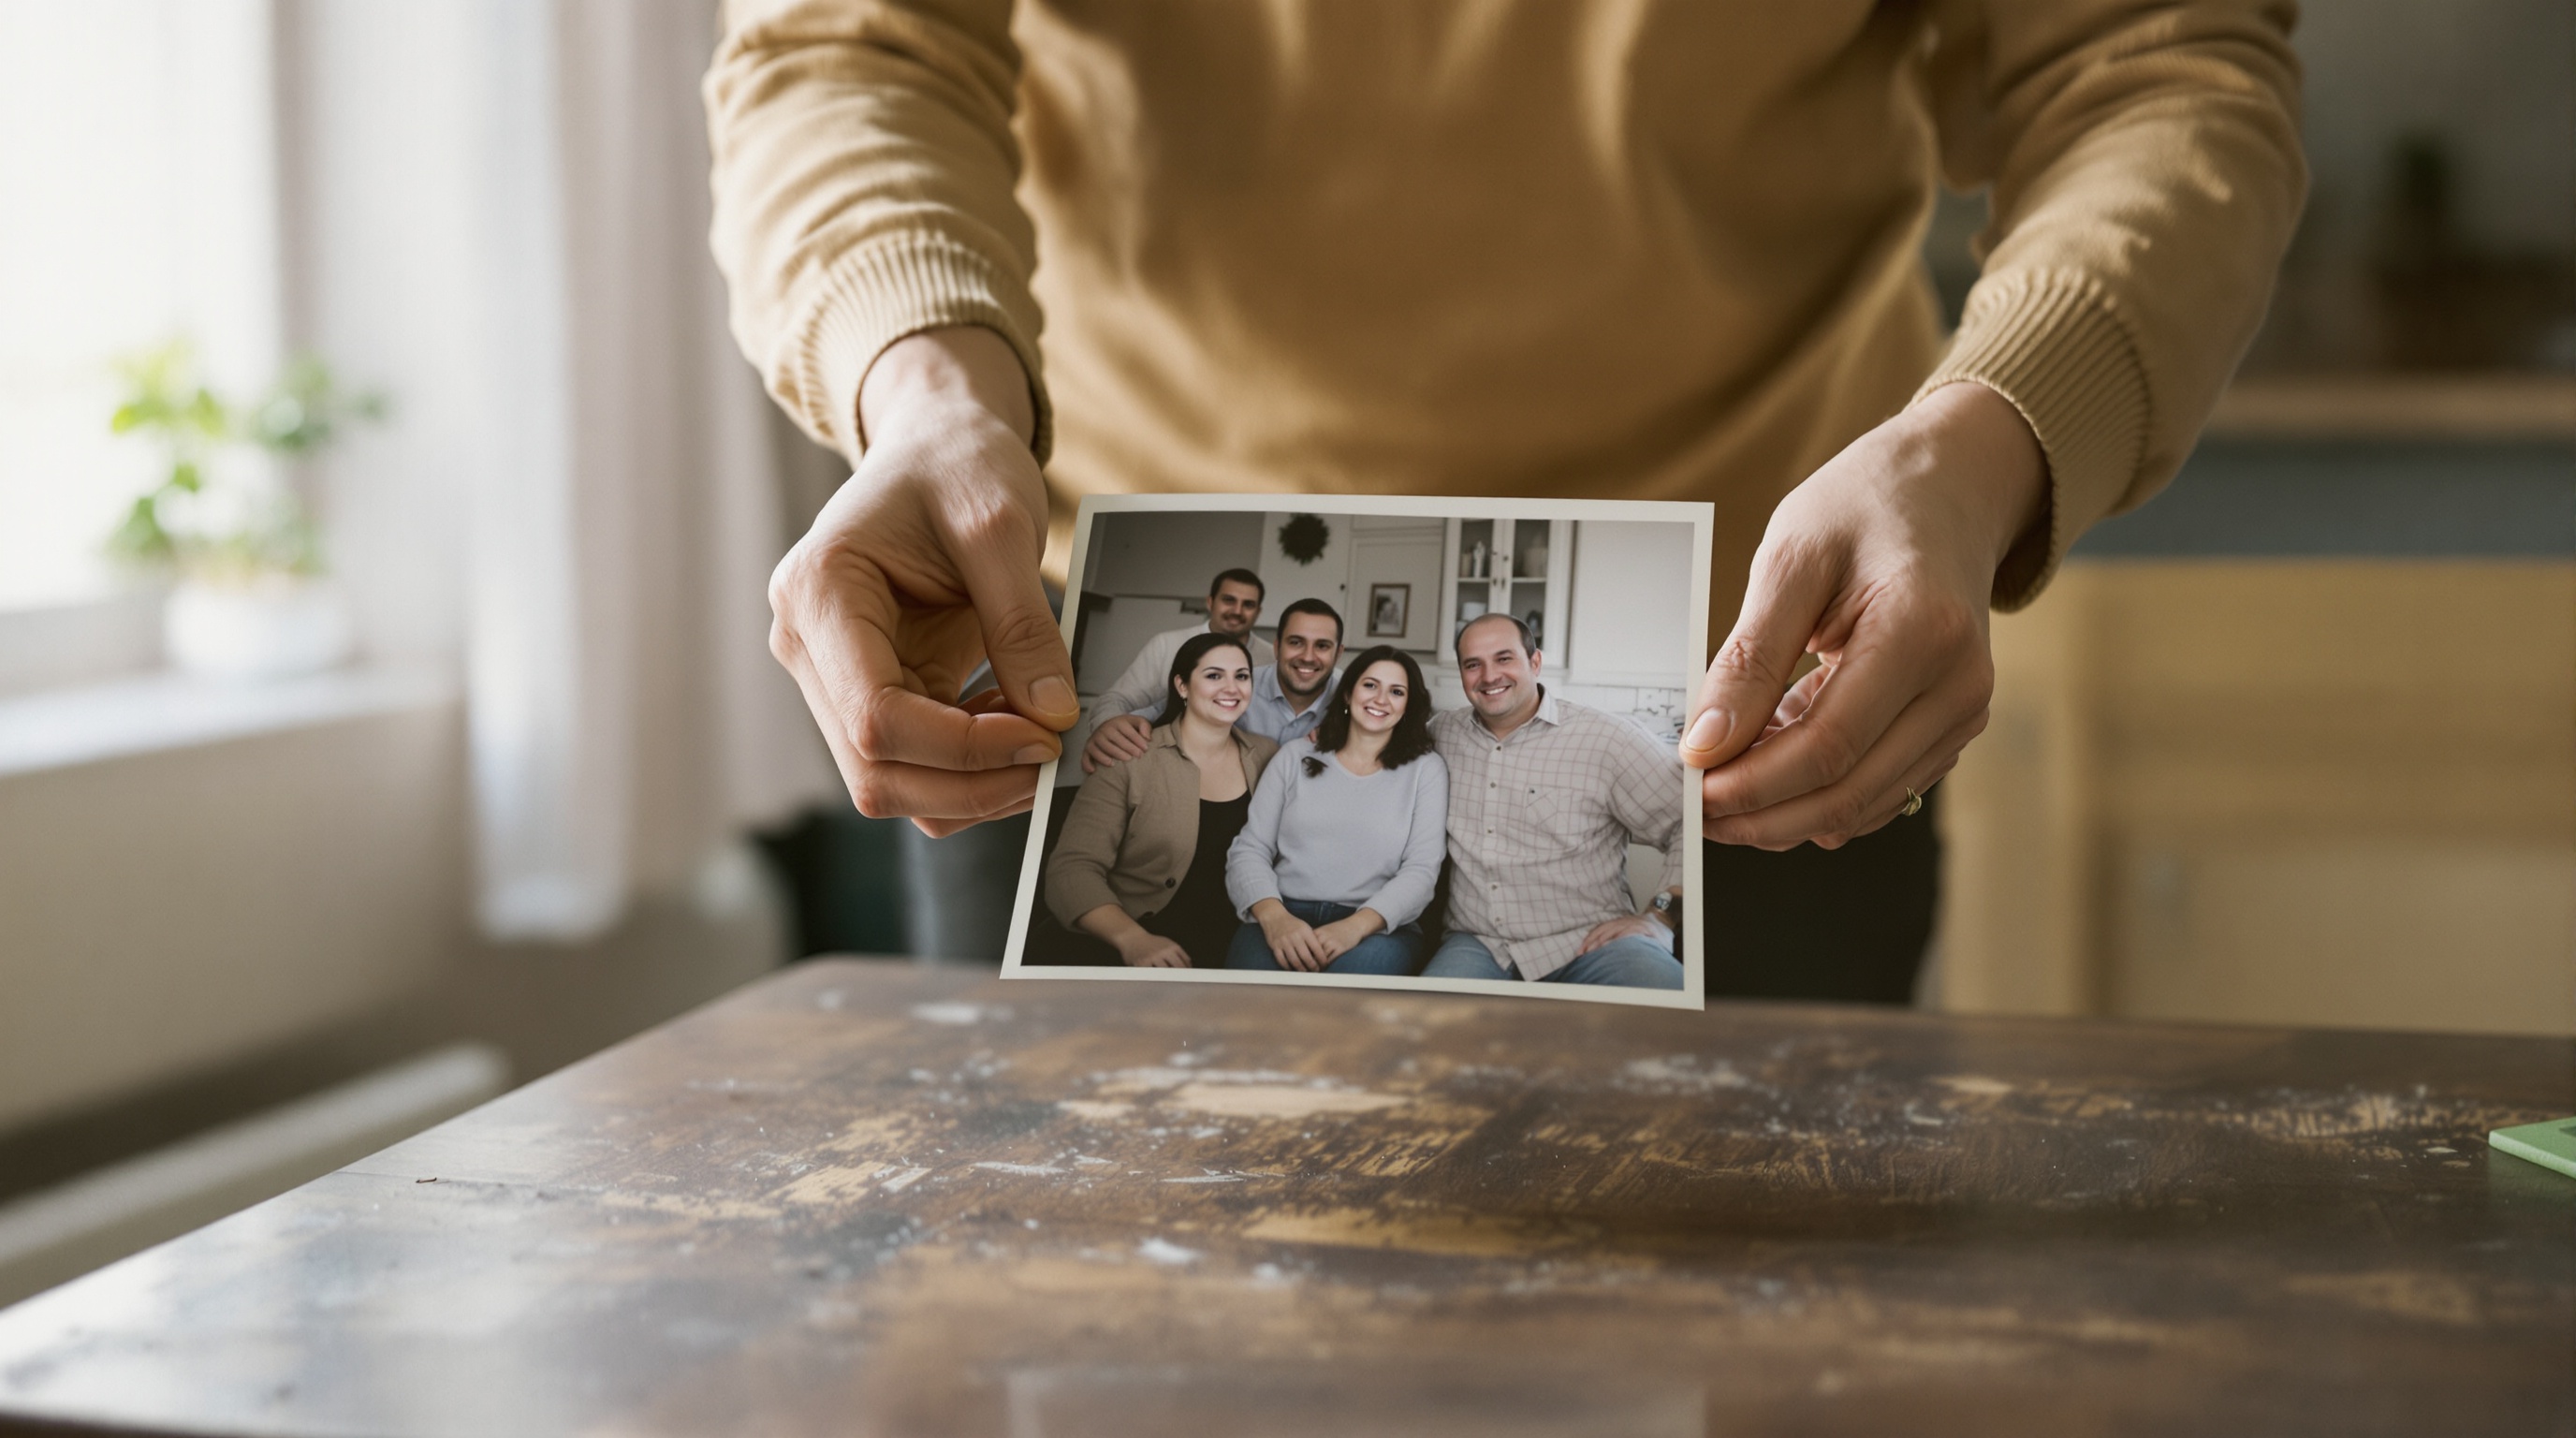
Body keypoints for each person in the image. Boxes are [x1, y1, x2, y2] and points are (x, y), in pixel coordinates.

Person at [710, 2, 2304, 998]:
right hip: (1054, 679)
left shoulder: (1559, 764)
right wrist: (918, 384)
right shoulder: (1209, 756)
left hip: (1776, 692)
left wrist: (1985, 443)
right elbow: (848, 41)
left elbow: (2148, 58)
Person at [1423, 614, 1685, 990]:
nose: (1489, 676)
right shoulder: (1442, 734)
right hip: (1477, 945)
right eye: (1472, 664)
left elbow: (1692, 819)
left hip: (1593, 942)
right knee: (1422, 1028)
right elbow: (1376, 747)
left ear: (1535, 663)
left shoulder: (1606, 738)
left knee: (1674, 1012)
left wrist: (1661, 915)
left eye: (1504, 658)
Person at [1044, 634, 1279, 967]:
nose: (1232, 688)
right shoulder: (1129, 754)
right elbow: (1071, 870)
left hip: (1230, 937)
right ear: (1182, 686)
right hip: (1137, 933)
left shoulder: (1267, 754)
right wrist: (1132, 939)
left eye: (1242, 676)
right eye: (1214, 676)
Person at [1223, 646, 1446, 977]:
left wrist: (1354, 927)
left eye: (1396, 691)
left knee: (1339, 1007)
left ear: (1408, 706)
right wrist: (1274, 917)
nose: (1381, 699)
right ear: (1347, 693)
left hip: (1377, 925)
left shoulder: (1426, 770)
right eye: (1370, 685)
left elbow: (1421, 871)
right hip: (1283, 910)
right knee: (1250, 1006)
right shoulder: (1294, 756)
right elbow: (1250, 849)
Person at [1090, 597, 1341, 770]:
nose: (1308, 656)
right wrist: (1108, 726)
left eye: (1322, 646)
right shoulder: (1238, 685)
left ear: (1338, 654)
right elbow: (1159, 713)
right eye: (1296, 642)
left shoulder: (1356, 697)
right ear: (1276, 647)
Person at [1068, 568, 1271, 774]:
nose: (1237, 611)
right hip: (1164, 766)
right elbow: (1117, 698)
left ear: (1258, 612)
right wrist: (1107, 725)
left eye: (1248, 605)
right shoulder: (1166, 644)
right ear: (1210, 602)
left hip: (1239, 770)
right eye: (1228, 600)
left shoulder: (1272, 658)